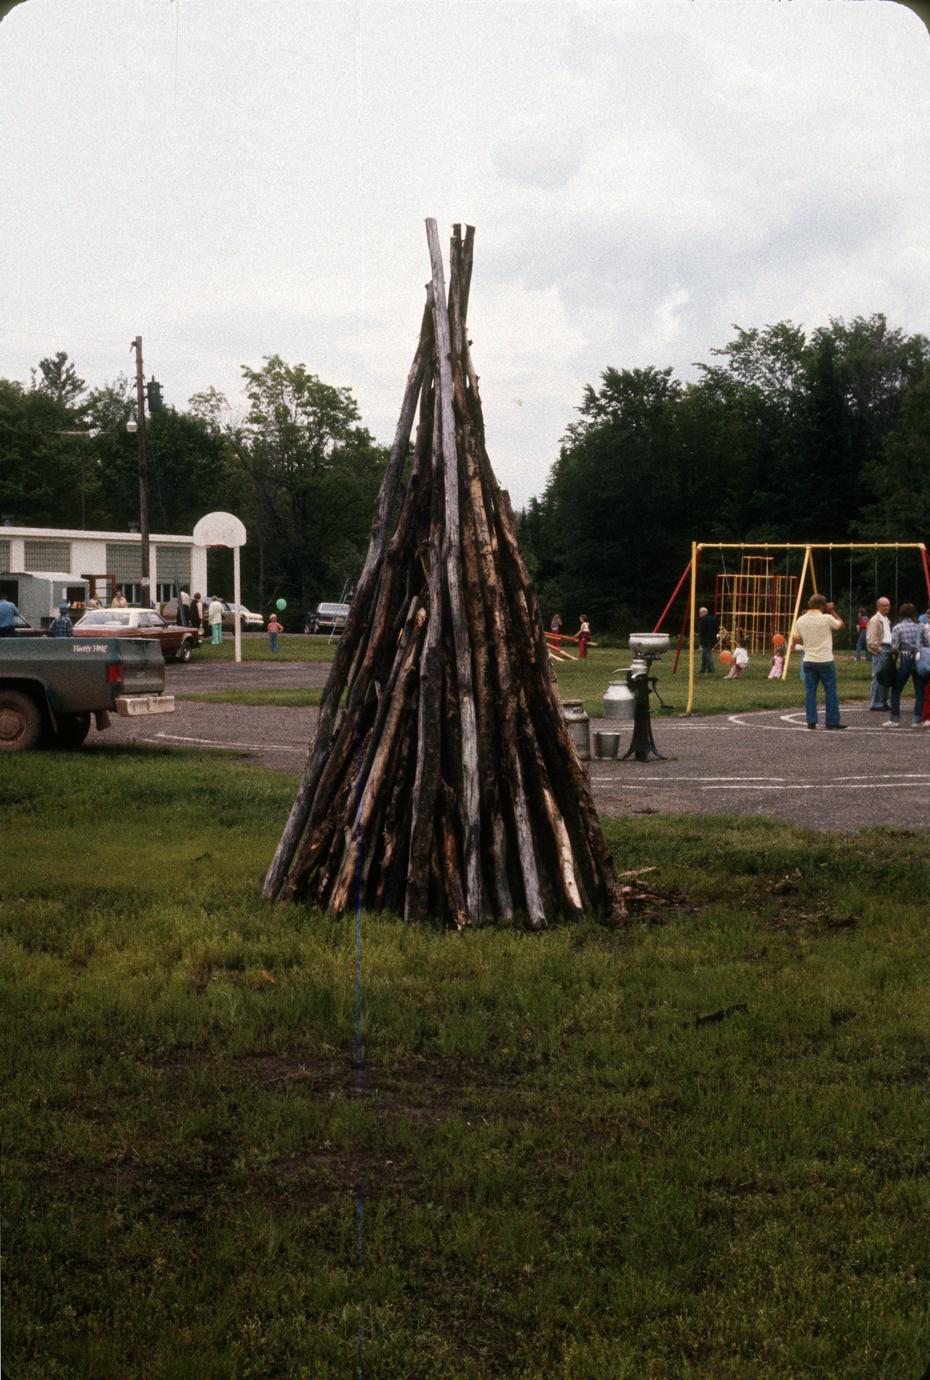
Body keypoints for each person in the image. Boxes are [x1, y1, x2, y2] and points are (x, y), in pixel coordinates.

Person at [790, 593, 846, 729]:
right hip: (825, 659)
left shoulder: (800, 620)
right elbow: (841, 625)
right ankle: (832, 721)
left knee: (810, 691)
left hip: (809, 659)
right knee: (830, 691)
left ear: (809, 605)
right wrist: (832, 610)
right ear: (823, 605)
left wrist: (809, 641)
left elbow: (796, 639)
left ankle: (811, 721)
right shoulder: (826, 618)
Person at [884, 603, 930, 727]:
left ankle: (894, 719)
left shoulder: (897, 627)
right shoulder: (921, 626)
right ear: (914, 613)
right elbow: (927, 643)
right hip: (919, 659)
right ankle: (916, 720)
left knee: (896, 690)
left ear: (901, 613)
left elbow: (894, 647)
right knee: (919, 691)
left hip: (905, 659)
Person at [866, 597, 893, 711]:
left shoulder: (886, 619)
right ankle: (876, 703)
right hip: (881, 649)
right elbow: (871, 639)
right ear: (878, 607)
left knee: (885, 678)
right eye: (884, 605)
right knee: (878, 677)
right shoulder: (875, 620)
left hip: (888, 648)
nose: (887, 607)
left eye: (888, 605)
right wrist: (879, 651)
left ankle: (882, 701)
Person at [698, 606, 719, 674]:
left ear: (703, 612)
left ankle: (712, 669)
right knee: (705, 653)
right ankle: (703, 669)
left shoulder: (703, 619)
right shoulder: (714, 619)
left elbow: (702, 630)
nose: (699, 614)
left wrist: (701, 638)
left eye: (700, 613)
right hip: (713, 639)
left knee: (708, 654)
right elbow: (717, 629)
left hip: (705, 639)